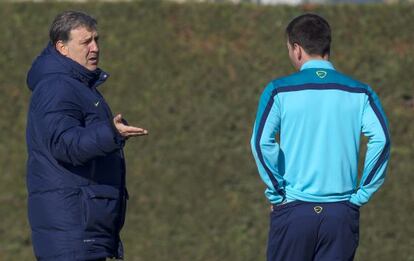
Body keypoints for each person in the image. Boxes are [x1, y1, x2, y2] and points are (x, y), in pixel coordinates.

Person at [250, 14, 390, 261]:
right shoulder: (360, 92)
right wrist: (360, 195)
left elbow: (261, 143)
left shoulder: (278, 90)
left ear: (297, 49)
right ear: (327, 47)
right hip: (341, 214)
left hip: (293, 210)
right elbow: (382, 140)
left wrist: (277, 193)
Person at [26, 11, 148, 260]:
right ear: (62, 47)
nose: (95, 48)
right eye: (85, 42)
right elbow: (64, 144)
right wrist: (110, 133)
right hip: (73, 229)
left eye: (96, 40)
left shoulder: (76, 85)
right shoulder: (57, 86)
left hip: (80, 227)